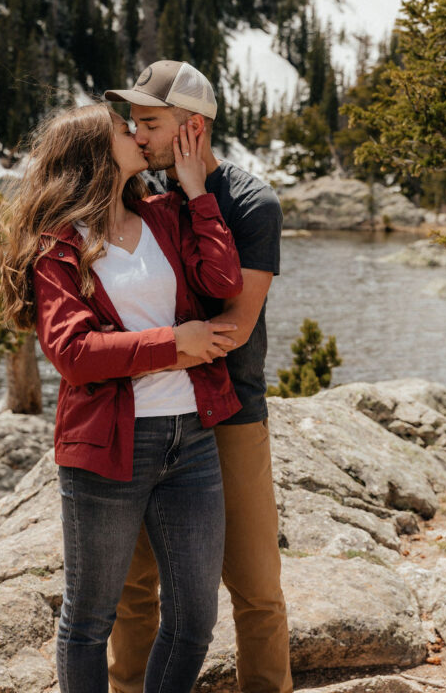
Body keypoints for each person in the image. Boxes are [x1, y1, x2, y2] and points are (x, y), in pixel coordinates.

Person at [0, 102, 245, 693]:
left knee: (195, 620)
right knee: (88, 621)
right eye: (121, 130)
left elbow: (226, 282)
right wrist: (173, 344)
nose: (136, 134)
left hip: (192, 437)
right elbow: (74, 354)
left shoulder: (163, 214)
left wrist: (194, 189)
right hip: (110, 449)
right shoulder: (57, 247)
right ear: (93, 154)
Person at [105, 61, 293, 693]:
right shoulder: (149, 204)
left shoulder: (250, 202)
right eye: (133, 122)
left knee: (255, 584)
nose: (137, 133)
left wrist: (131, 352)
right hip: (152, 414)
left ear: (193, 126)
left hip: (232, 413)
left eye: (150, 122)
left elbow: (236, 327)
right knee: (135, 588)